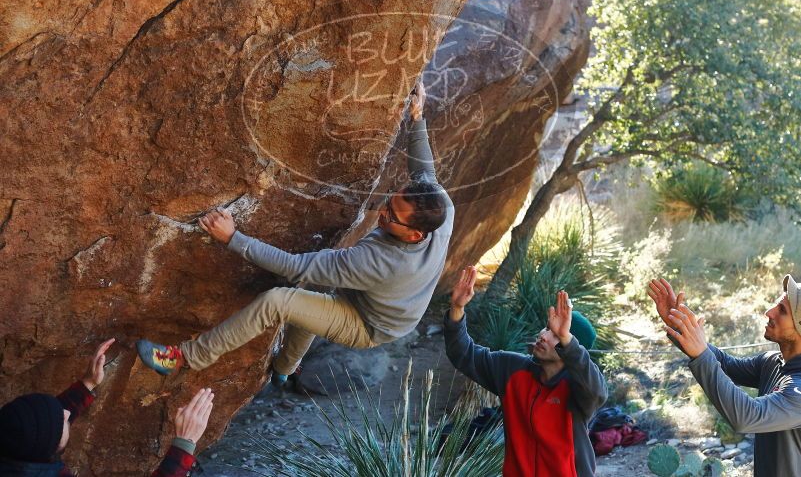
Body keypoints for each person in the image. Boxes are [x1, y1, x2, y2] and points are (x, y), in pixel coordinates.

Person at [136, 81, 454, 390]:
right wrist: (417, 117)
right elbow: (425, 172)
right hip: (386, 298)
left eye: (391, 216)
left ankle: (186, 358)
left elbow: (294, 267)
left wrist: (233, 238)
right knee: (319, 280)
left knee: (280, 300)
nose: (382, 212)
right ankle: (285, 369)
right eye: (388, 202)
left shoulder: (380, 262)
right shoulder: (441, 207)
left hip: (368, 323)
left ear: (414, 235)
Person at [444, 266, 607, 477]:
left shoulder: (579, 390)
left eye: (556, 336)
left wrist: (567, 341)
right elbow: (463, 355)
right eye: (547, 328)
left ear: (570, 348)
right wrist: (457, 309)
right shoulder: (512, 370)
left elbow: (598, 392)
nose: (544, 335)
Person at [649, 276, 801, 477]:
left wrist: (701, 354)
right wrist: (679, 325)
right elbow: (726, 364)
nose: (769, 312)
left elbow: (748, 417)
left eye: (782, 310)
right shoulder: (772, 361)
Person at [0, 338, 214, 476]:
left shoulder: (15, 448)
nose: (66, 412)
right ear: (47, 452)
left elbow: (40, 427)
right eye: (63, 419)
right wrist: (184, 444)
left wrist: (87, 384)